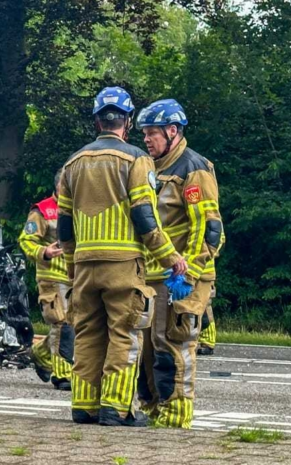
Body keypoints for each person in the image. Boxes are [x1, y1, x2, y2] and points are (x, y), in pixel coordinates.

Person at [57, 86, 187, 426]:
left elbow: (64, 225)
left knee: (86, 334)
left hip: (84, 267)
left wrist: (72, 265)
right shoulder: (136, 160)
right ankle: (116, 408)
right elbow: (145, 216)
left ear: (97, 121)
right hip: (124, 267)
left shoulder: (73, 163)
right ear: (126, 121)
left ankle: (83, 406)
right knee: (124, 334)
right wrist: (170, 256)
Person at [136, 99, 223, 429]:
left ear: (173, 131)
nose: (147, 139)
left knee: (172, 343)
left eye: (153, 133)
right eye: (144, 133)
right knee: (147, 351)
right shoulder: (152, 168)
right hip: (153, 275)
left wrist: (192, 270)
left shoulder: (193, 168)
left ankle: (175, 416)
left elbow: (208, 226)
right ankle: (152, 408)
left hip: (181, 277)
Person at [19, 169, 74, 391]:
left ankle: (40, 354)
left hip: (75, 276)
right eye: (65, 185)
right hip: (51, 276)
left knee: (76, 324)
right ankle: (62, 375)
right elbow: (25, 240)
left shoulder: (79, 208)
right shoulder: (42, 211)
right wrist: (44, 251)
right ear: (57, 186)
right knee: (61, 323)